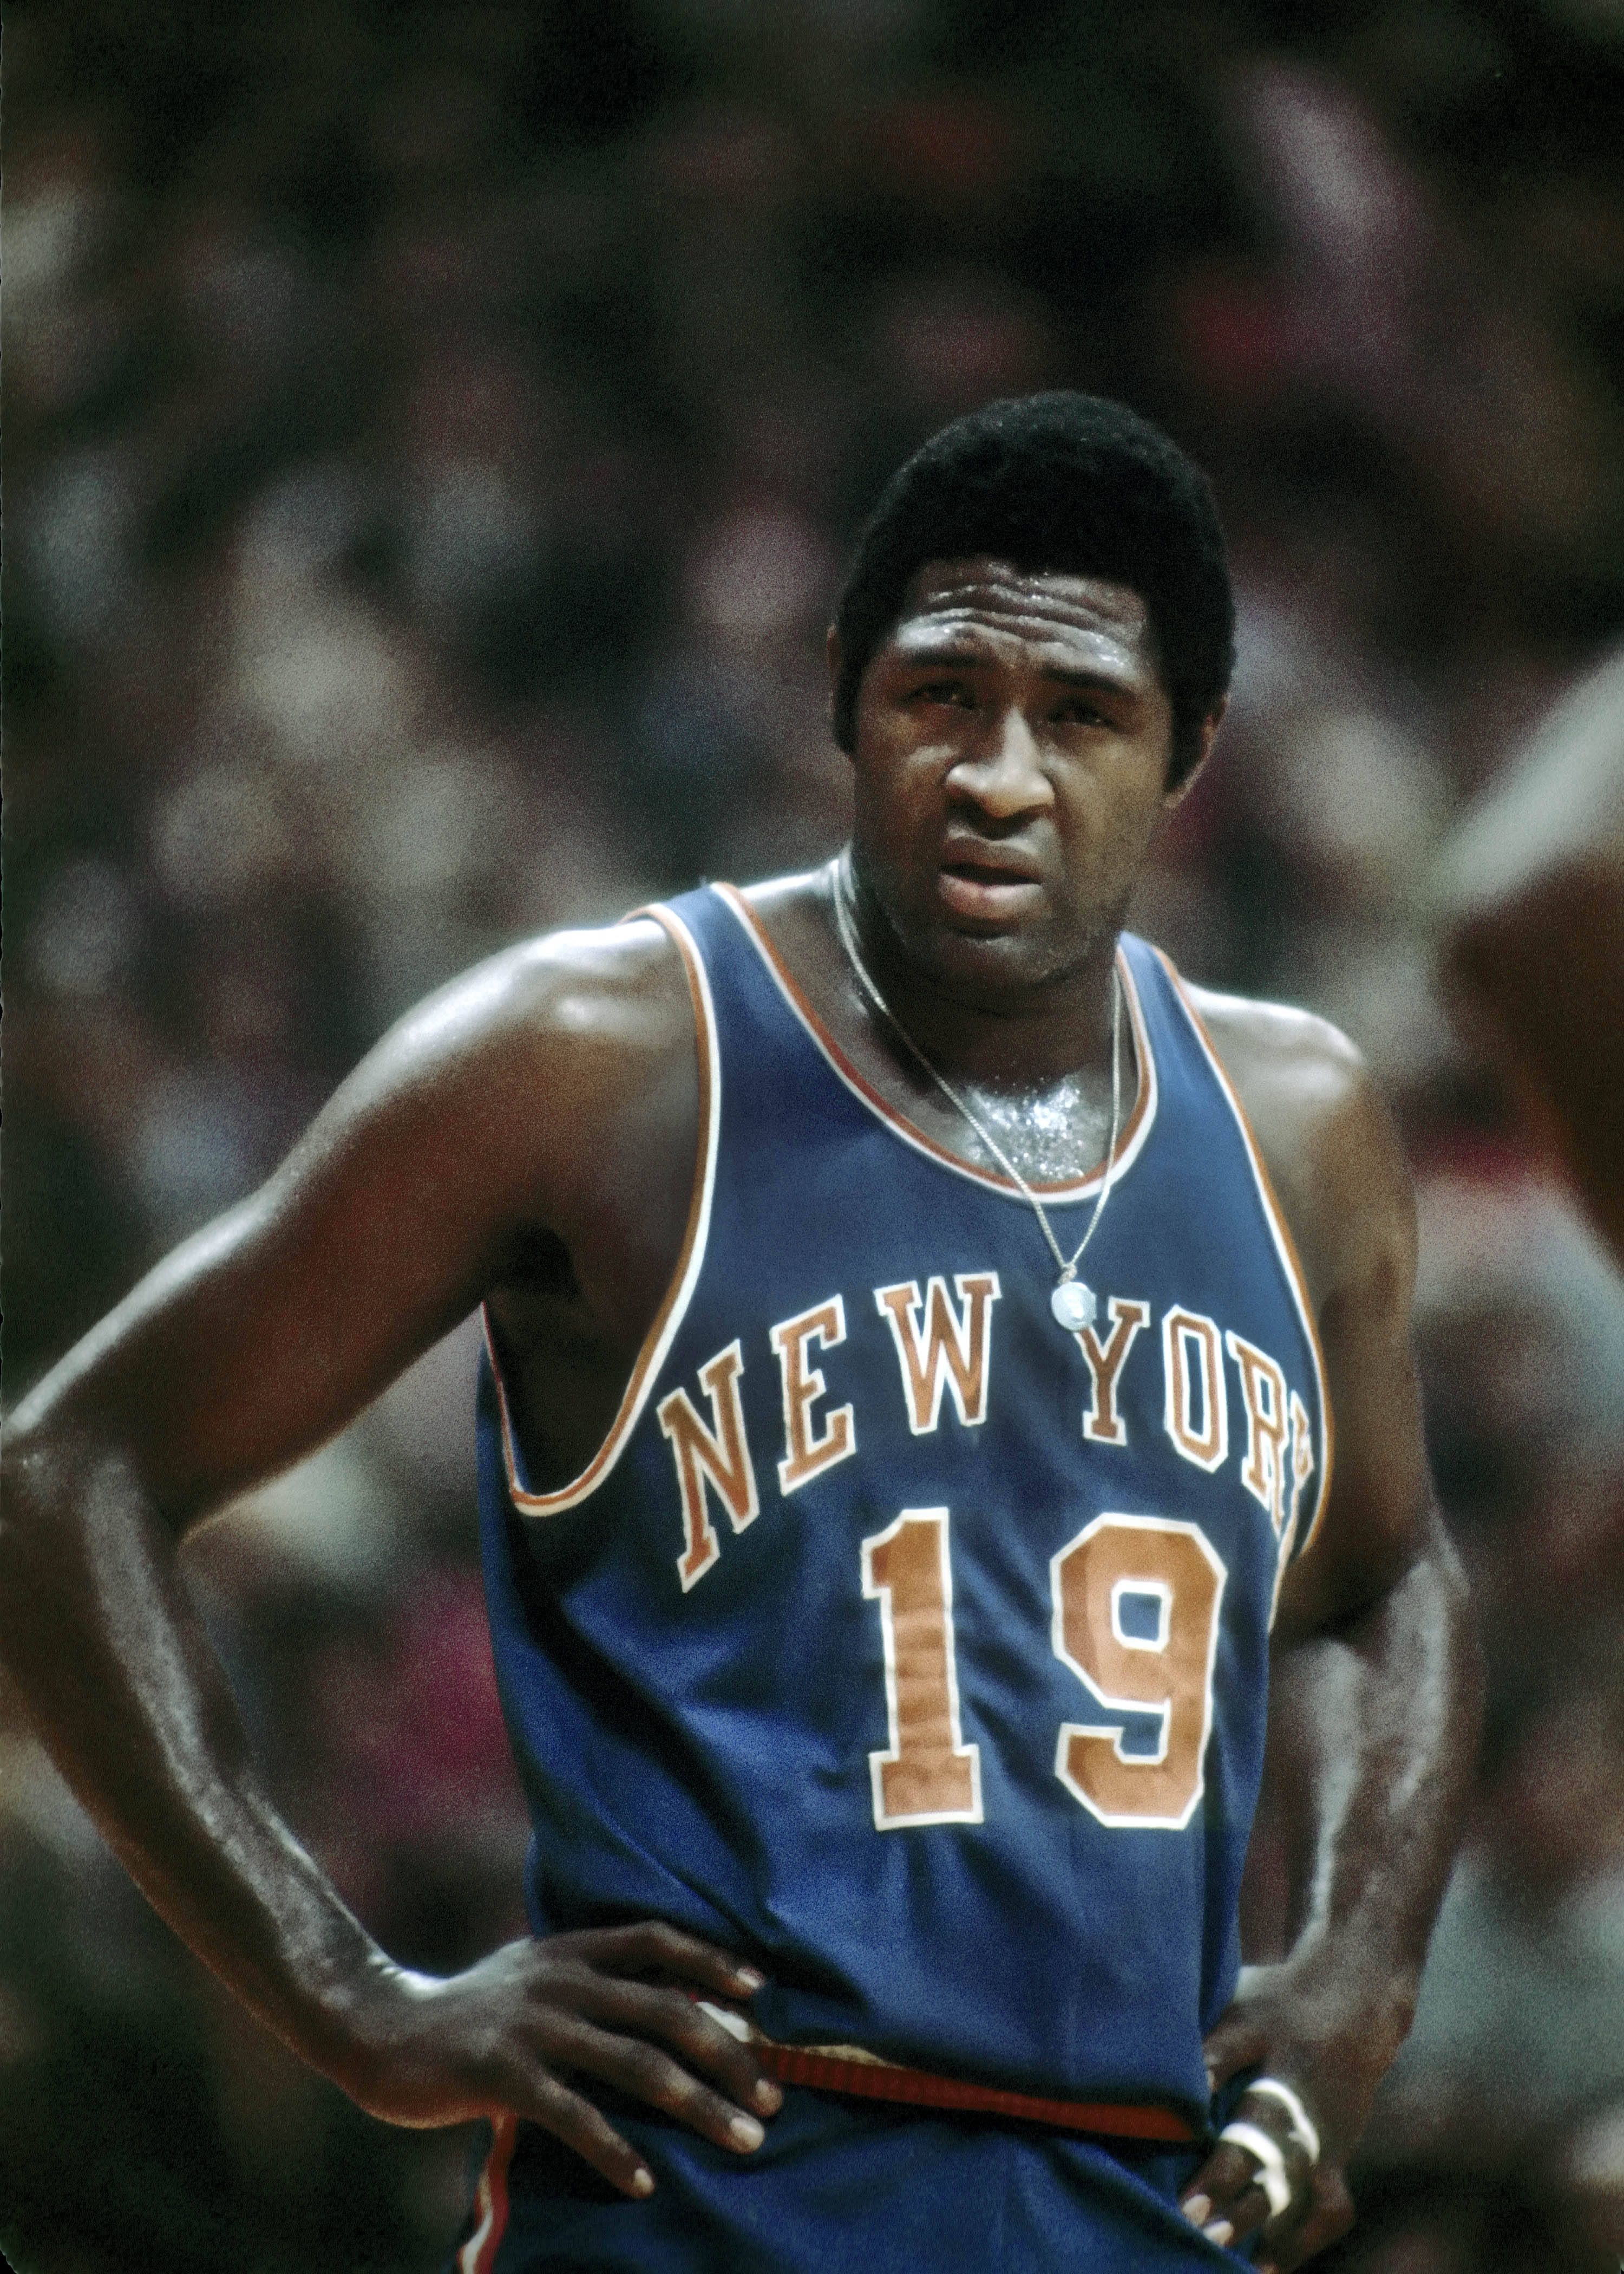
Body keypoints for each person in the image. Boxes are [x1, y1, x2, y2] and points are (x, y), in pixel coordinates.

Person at [1, 394, 1478, 2272]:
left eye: (1083, 716)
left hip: (1138, 2193)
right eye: (942, 693)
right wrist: (351, 1997)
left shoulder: (1302, 1124)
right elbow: (63, 1476)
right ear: (841, 700)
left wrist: (1358, 1971)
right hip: (716, 2185)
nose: (999, 774)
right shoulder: (591, 1054)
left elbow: (1382, 1576)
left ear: (1190, 756)